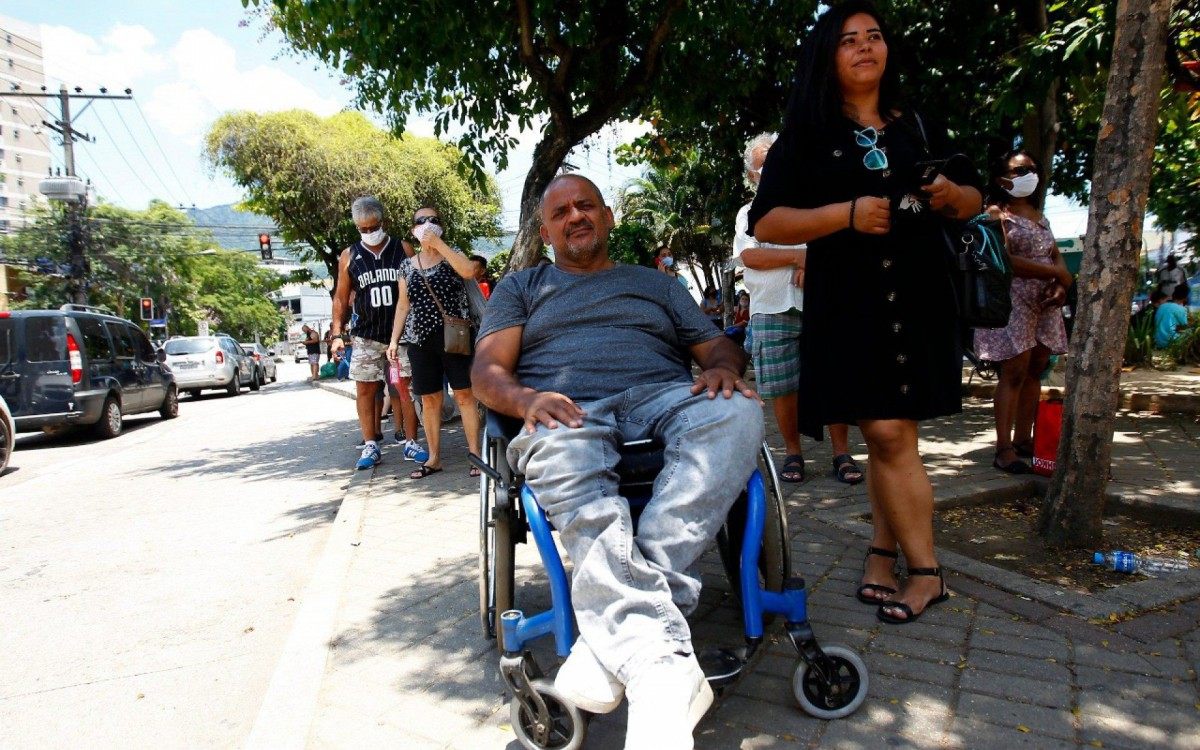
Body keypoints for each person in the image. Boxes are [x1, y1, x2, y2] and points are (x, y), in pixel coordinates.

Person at [472, 174, 762, 749]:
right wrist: (527, 401)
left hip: (662, 395)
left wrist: (725, 369)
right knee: (559, 449)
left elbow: (716, 347)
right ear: (546, 229)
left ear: (607, 217)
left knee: (737, 414)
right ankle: (661, 666)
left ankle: (609, 639)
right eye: (561, 212)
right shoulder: (520, 287)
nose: (575, 216)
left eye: (586, 206)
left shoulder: (655, 285)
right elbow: (487, 371)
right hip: (567, 409)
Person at [749, 1, 983, 623]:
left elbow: (972, 197)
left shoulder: (916, 124)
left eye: (874, 36)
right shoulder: (807, 132)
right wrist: (845, 215)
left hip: (920, 293)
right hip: (851, 298)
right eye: (849, 39)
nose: (865, 47)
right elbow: (767, 220)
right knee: (885, 432)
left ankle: (892, 556)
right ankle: (924, 569)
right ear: (829, 56)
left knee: (892, 434)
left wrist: (952, 196)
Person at [736, 132, 863, 485]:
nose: (770, 171)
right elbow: (751, 257)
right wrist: (801, 257)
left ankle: (841, 452)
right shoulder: (748, 213)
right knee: (781, 387)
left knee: (833, 376)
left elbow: (838, 253)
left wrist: (815, 263)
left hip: (822, 304)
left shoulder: (815, 207)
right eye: (763, 166)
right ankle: (793, 452)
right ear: (751, 175)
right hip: (771, 307)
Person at [973, 150, 1071, 474]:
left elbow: (1056, 256)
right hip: (1013, 301)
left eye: (1031, 168)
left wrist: (1060, 284)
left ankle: (1024, 439)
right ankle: (1003, 448)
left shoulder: (1040, 216)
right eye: (1019, 170)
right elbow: (1007, 260)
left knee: (1035, 370)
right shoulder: (996, 214)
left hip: (1045, 304)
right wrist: (1056, 275)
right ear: (1002, 178)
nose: (1027, 174)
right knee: (1013, 372)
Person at [386, 206, 483, 480]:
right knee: (429, 400)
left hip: (454, 337)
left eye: (433, 220)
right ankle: (434, 458)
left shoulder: (453, 257)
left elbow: (468, 271)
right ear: (412, 229)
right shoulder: (406, 266)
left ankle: (475, 455)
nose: (427, 225)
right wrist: (394, 340)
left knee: (465, 396)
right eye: (421, 221)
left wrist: (438, 243)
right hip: (419, 341)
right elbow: (403, 306)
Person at [330, 196, 427, 471]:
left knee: (404, 388)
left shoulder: (402, 249)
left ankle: (410, 441)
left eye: (374, 227)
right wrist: (337, 333)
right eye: (364, 229)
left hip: (401, 337)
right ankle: (371, 444)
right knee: (365, 389)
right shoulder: (350, 256)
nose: (370, 233)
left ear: (383, 222)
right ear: (356, 227)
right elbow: (340, 297)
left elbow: (417, 288)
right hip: (366, 336)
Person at [1155, 284, 1191, 348]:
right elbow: (1184, 326)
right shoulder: (1181, 309)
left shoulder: (1161, 307)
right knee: (1191, 331)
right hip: (1172, 343)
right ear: (1185, 298)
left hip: (1159, 342)